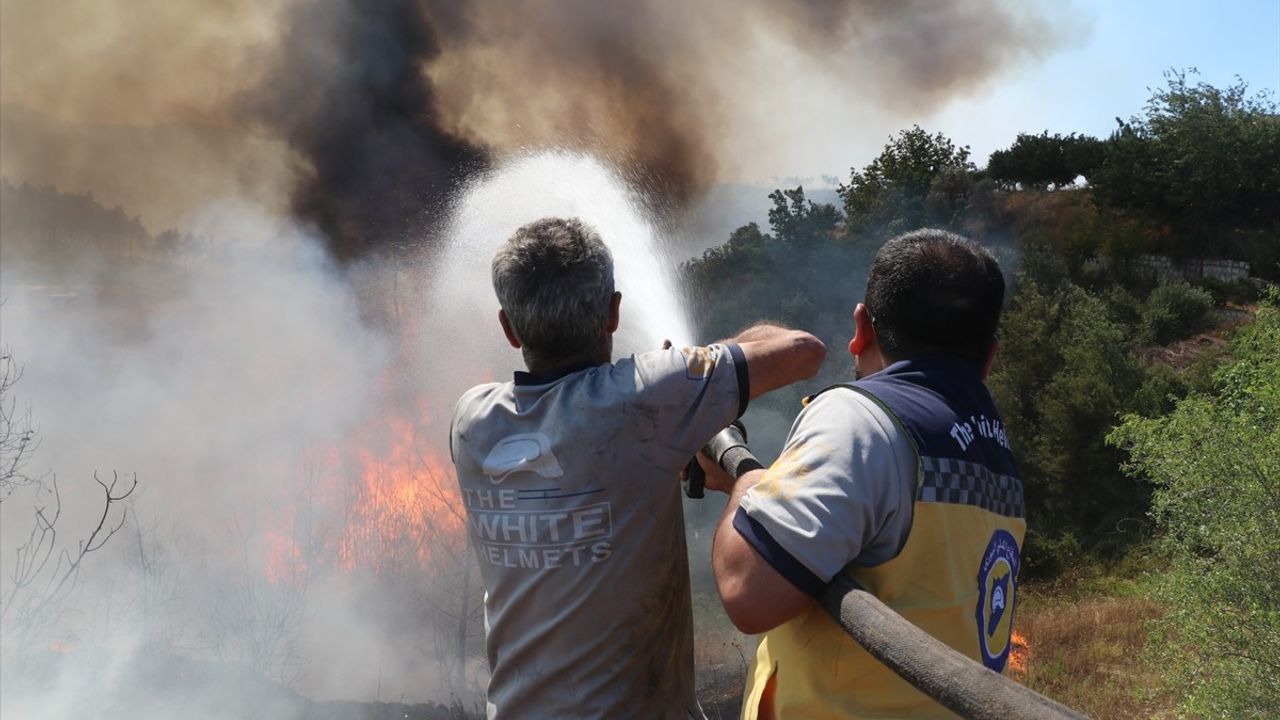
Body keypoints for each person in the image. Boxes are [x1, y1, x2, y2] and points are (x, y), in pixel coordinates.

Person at [449, 217, 826, 719]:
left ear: (509, 328)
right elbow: (804, 352)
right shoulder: (647, 396)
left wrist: (665, 429)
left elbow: (581, 455)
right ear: (613, 313)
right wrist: (687, 382)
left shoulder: (471, 420)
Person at [701, 229, 1025, 719]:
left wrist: (745, 483)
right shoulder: (997, 456)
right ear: (989, 356)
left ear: (862, 329)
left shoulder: (860, 420)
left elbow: (749, 595)